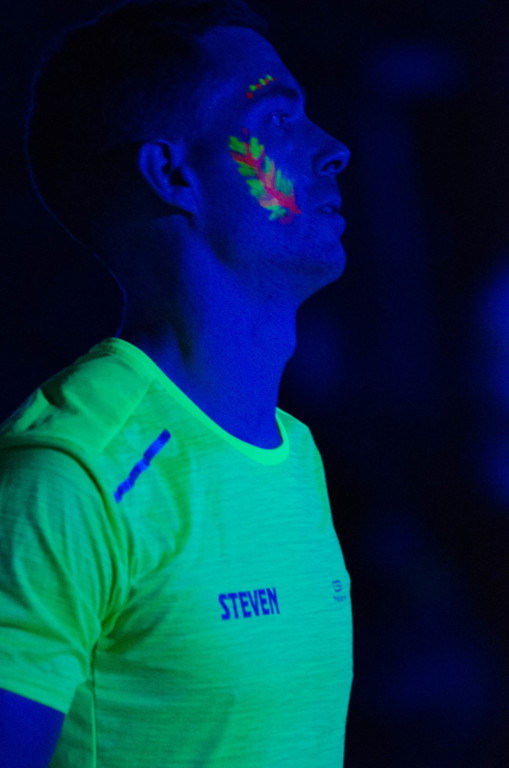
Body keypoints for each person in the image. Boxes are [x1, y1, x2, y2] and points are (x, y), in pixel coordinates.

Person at [0, 1, 352, 765]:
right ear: (171, 174)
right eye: (277, 119)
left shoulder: (294, 450)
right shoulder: (71, 474)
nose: (334, 150)